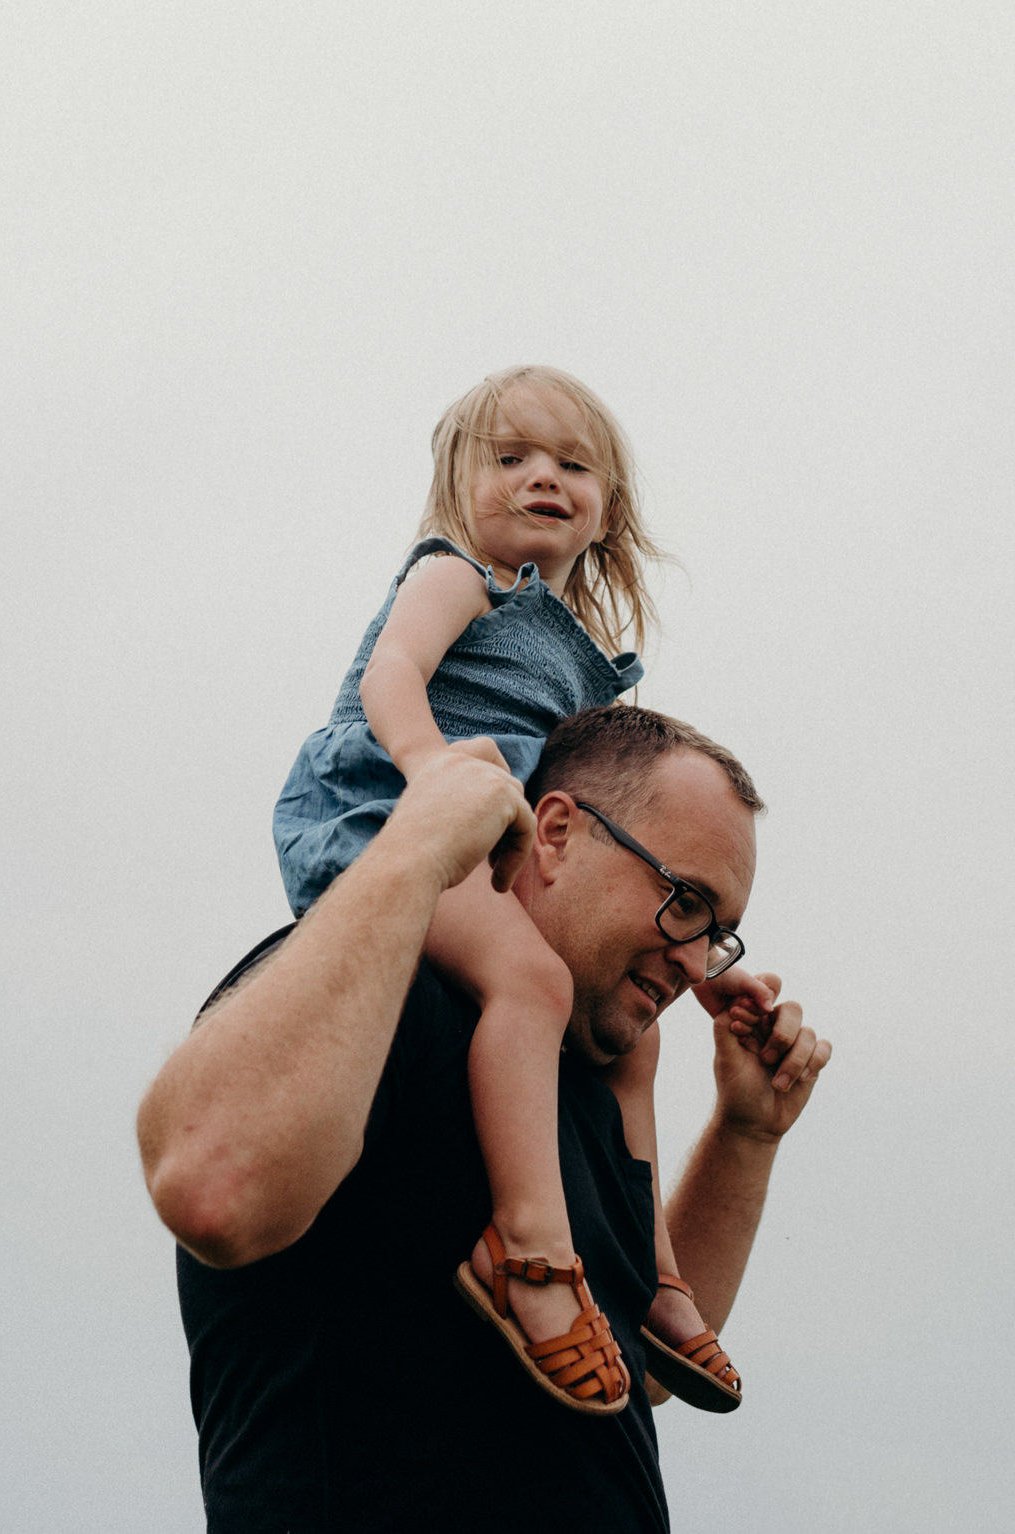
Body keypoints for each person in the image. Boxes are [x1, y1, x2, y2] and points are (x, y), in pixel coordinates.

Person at [138, 705, 832, 1533]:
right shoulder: (381, 996)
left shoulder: (575, 1095)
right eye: (684, 901)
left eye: (718, 934)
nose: (694, 961)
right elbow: (210, 1185)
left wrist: (745, 1136)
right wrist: (417, 848)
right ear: (556, 831)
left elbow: (643, 1374)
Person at [270, 365, 774, 1412]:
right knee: (532, 983)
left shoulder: (582, 654)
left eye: (571, 462)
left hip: (472, 837)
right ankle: (527, 1248)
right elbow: (389, 677)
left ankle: (655, 1281)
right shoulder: (456, 574)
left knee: (636, 1041)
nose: (543, 477)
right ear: (463, 485)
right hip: (378, 815)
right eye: (511, 459)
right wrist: (430, 774)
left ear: (607, 503)